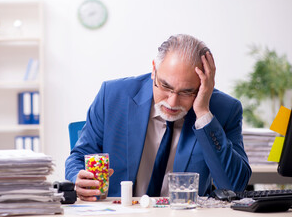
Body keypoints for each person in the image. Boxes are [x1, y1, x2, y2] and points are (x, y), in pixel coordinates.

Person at [65, 34, 251, 201]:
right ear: (154, 69)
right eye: (165, 86)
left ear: (204, 85)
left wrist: (203, 113)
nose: (172, 101)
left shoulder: (225, 109)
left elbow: (234, 186)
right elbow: (79, 157)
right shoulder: (113, 96)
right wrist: (77, 178)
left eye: (187, 92)